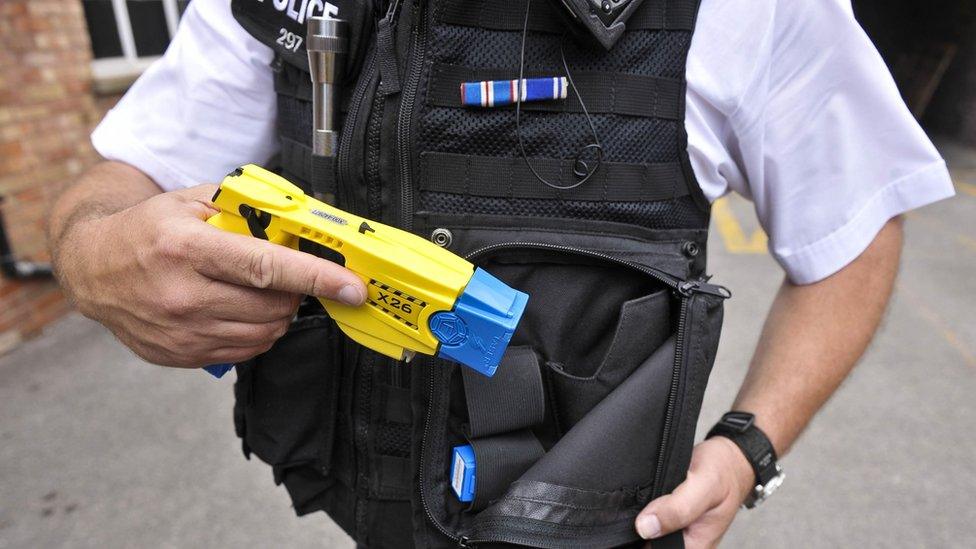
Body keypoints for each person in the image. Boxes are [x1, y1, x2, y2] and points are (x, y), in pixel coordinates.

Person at [50, 0, 954, 547]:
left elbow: (857, 223)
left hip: (586, 527)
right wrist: (95, 253)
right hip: (359, 511)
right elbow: (115, 183)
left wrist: (749, 447)